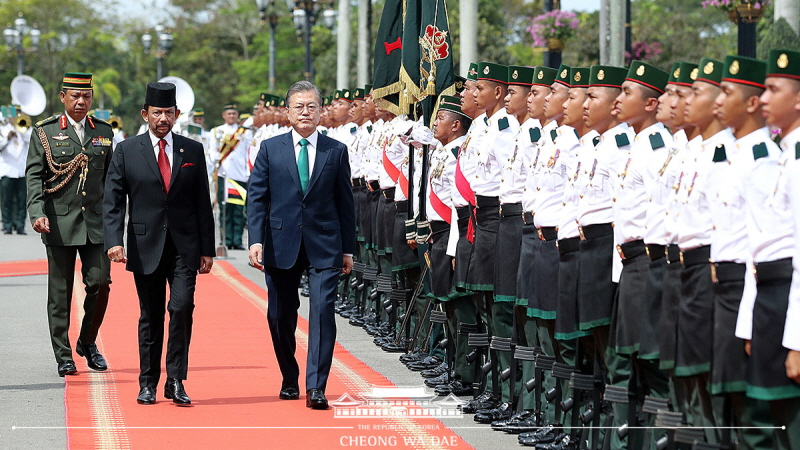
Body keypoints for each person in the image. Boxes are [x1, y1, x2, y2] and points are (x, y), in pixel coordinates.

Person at [103, 82, 215, 405]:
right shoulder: (126, 151)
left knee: (181, 308)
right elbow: (113, 200)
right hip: (145, 243)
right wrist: (114, 241)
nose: (163, 118)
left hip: (185, 247)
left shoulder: (192, 151)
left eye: (168, 112)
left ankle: (176, 379)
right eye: (157, 113)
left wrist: (207, 247)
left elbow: (201, 203)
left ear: (177, 115)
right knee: (150, 315)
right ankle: (148, 382)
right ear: (145, 114)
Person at [248, 80, 356, 410]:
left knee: (323, 312)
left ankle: (317, 386)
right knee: (280, 316)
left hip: (325, 243)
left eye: (311, 106)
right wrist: (255, 240)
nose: (305, 112)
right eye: (299, 106)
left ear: (320, 111)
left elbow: (346, 204)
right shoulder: (271, 148)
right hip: (280, 243)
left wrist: (348, 249)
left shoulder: (335, 150)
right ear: (288, 112)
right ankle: (290, 376)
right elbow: (257, 197)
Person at [26, 72, 113, 377]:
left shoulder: (103, 131)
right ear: (63, 97)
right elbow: (34, 176)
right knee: (60, 294)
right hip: (59, 223)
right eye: (75, 96)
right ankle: (63, 355)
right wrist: (36, 212)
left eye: (86, 96)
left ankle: (87, 342)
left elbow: (110, 181)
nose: (81, 102)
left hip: (96, 225)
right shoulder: (45, 132)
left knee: (100, 283)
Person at [1, 108, 31, 234]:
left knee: (21, 200)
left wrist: (20, 130)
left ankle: (20, 226)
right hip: (7, 170)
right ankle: (7, 225)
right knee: (6, 200)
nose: (16, 117)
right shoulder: (3, 129)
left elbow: (31, 140)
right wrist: (7, 138)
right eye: (15, 115)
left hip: (21, 171)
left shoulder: (25, 128)